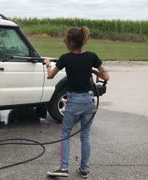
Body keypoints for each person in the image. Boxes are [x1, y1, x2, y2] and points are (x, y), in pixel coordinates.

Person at [45, 26, 110, 178]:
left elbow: (50, 76)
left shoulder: (65, 58)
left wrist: (48, 63)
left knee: (66, 133)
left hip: (74, 100)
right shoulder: (92, 56)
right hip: (89, 100)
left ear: (70, 42)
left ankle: (64, 168)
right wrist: (94, 71)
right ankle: (84, 169)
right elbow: (106, 77)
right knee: (85, 135)